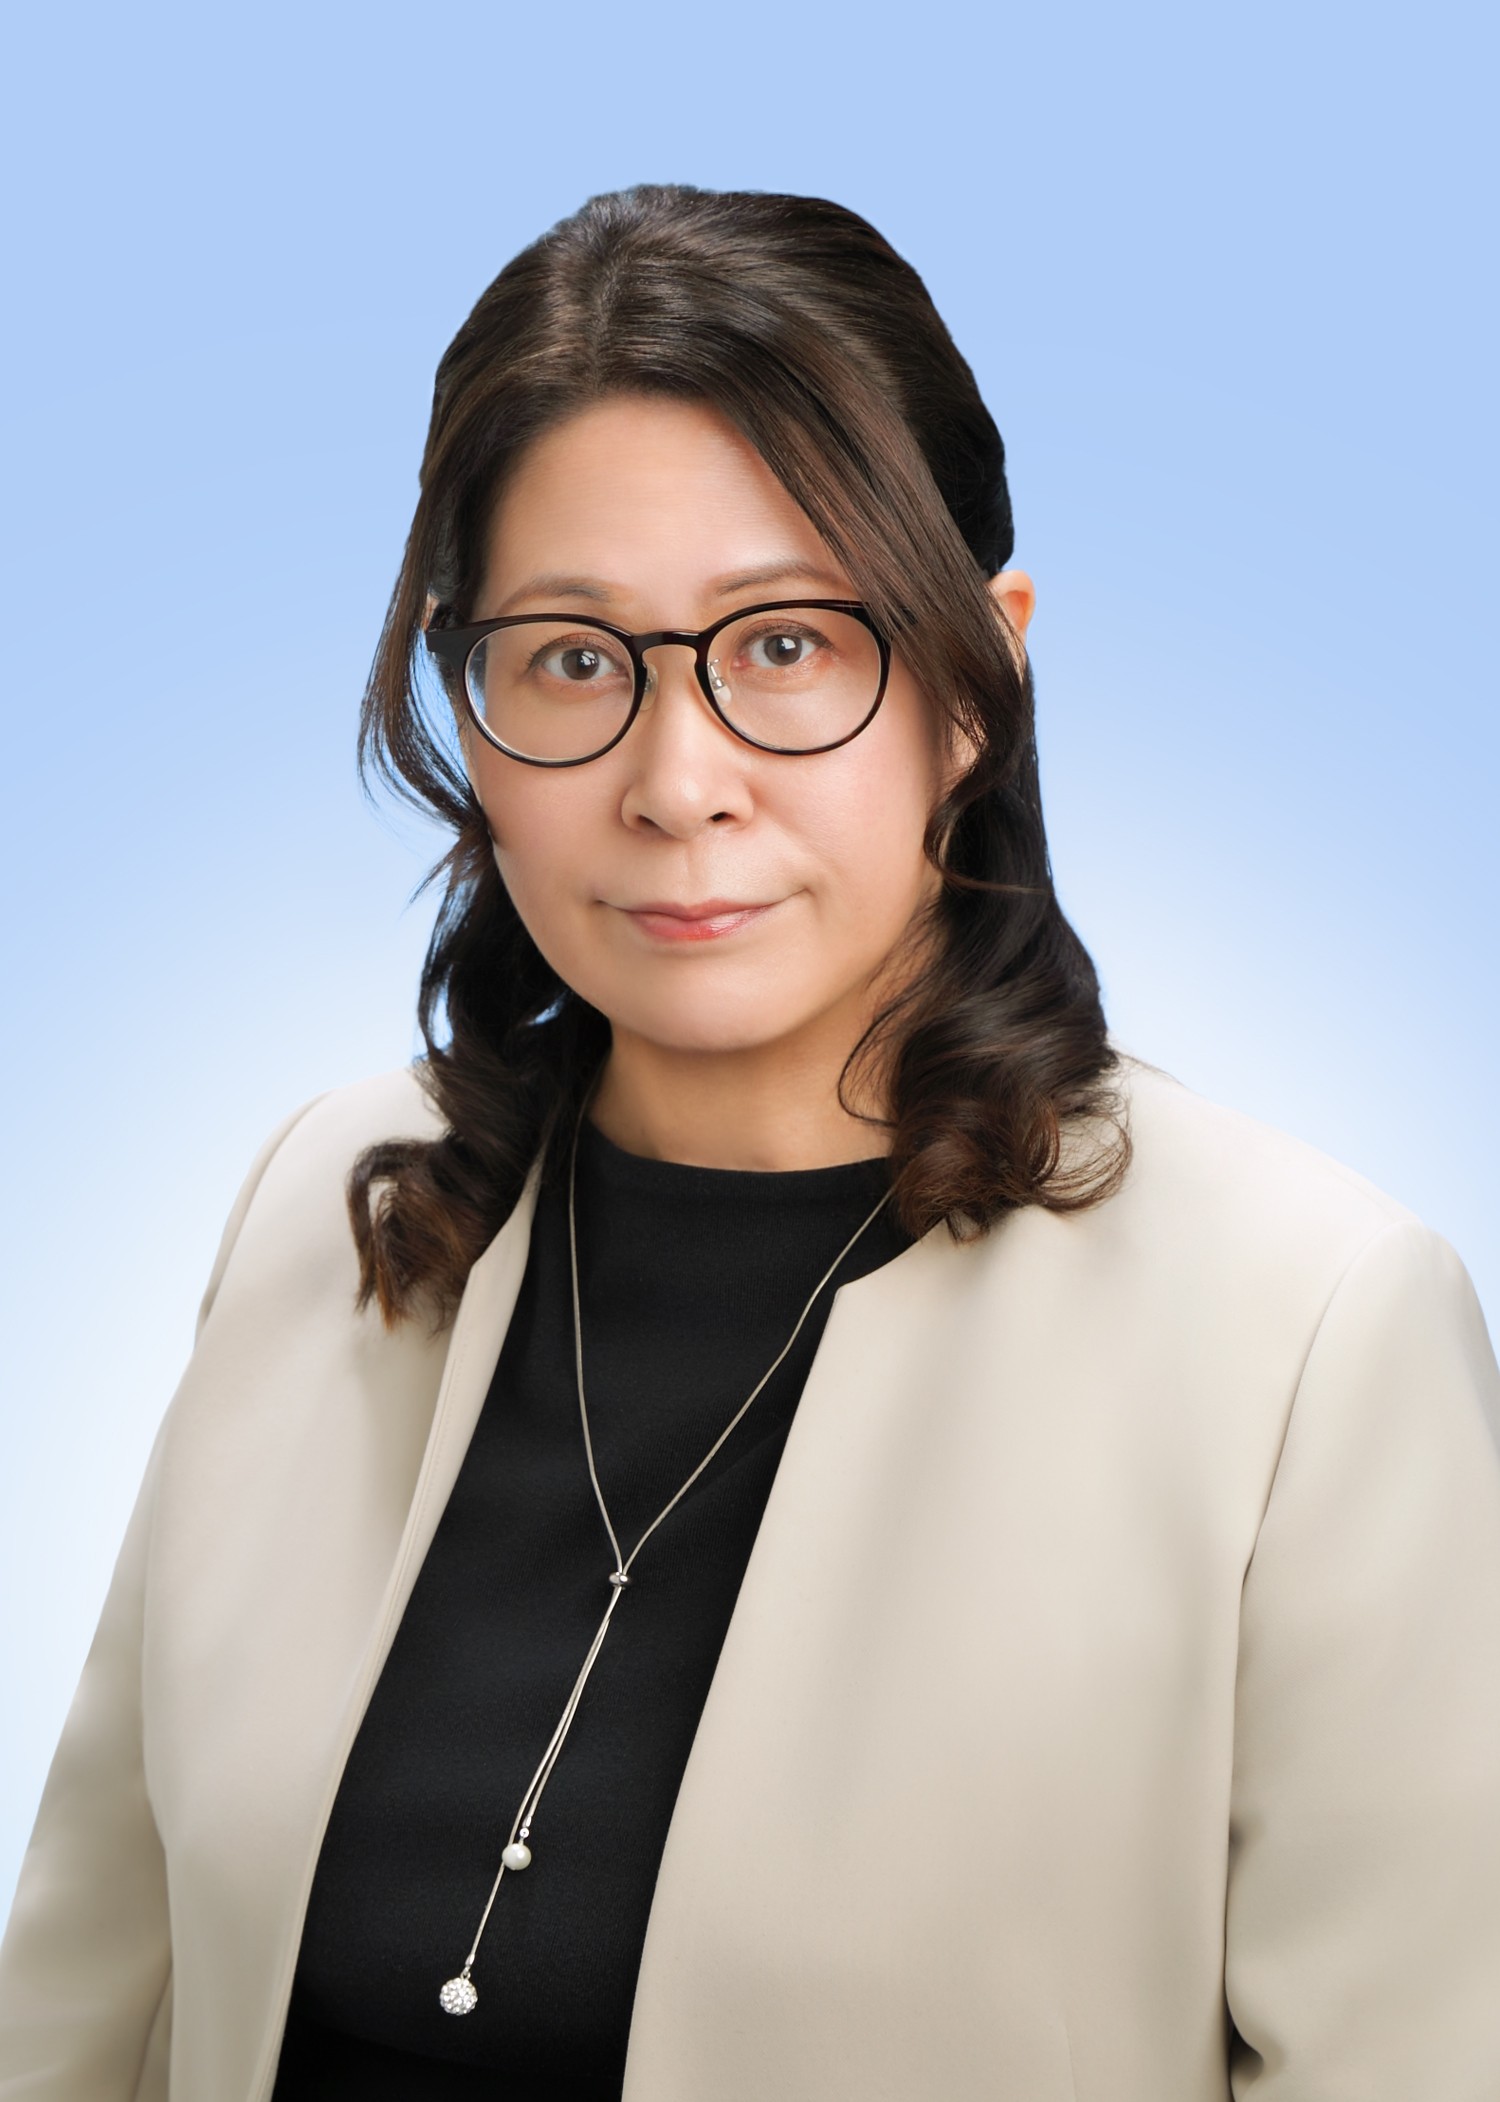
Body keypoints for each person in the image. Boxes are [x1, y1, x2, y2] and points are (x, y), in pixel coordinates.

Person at [1, 183, 1497, 2102]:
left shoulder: (1308, 1331)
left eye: (787, 644)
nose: (676, 781)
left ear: (977, 682)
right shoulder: (325, 1202)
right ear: (471, 699)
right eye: (571, 657)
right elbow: (84, 2006)